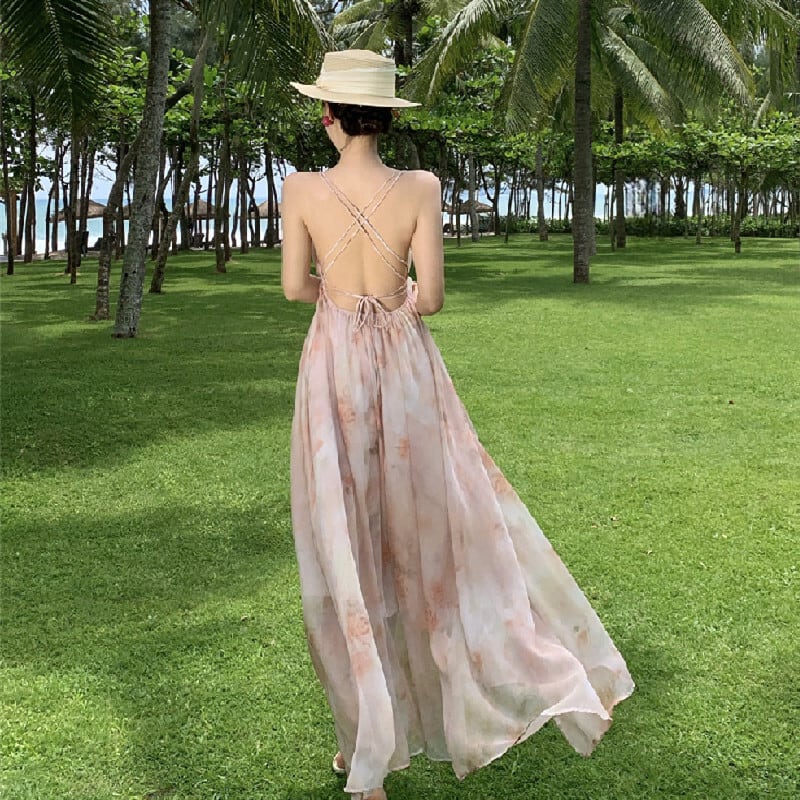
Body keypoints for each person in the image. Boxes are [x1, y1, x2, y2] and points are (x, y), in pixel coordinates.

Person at [282, 50, 634, 800]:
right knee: (424, 542)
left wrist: (343, 301)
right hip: (407, 372)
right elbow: (433, 298)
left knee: (344, 547)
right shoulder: (421, 187)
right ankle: (403, 727)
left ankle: (364, 751)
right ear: (385, 117)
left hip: (333, 373)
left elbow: (293, 288)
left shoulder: (302, 188)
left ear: (329, 115)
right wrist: (390, 301)